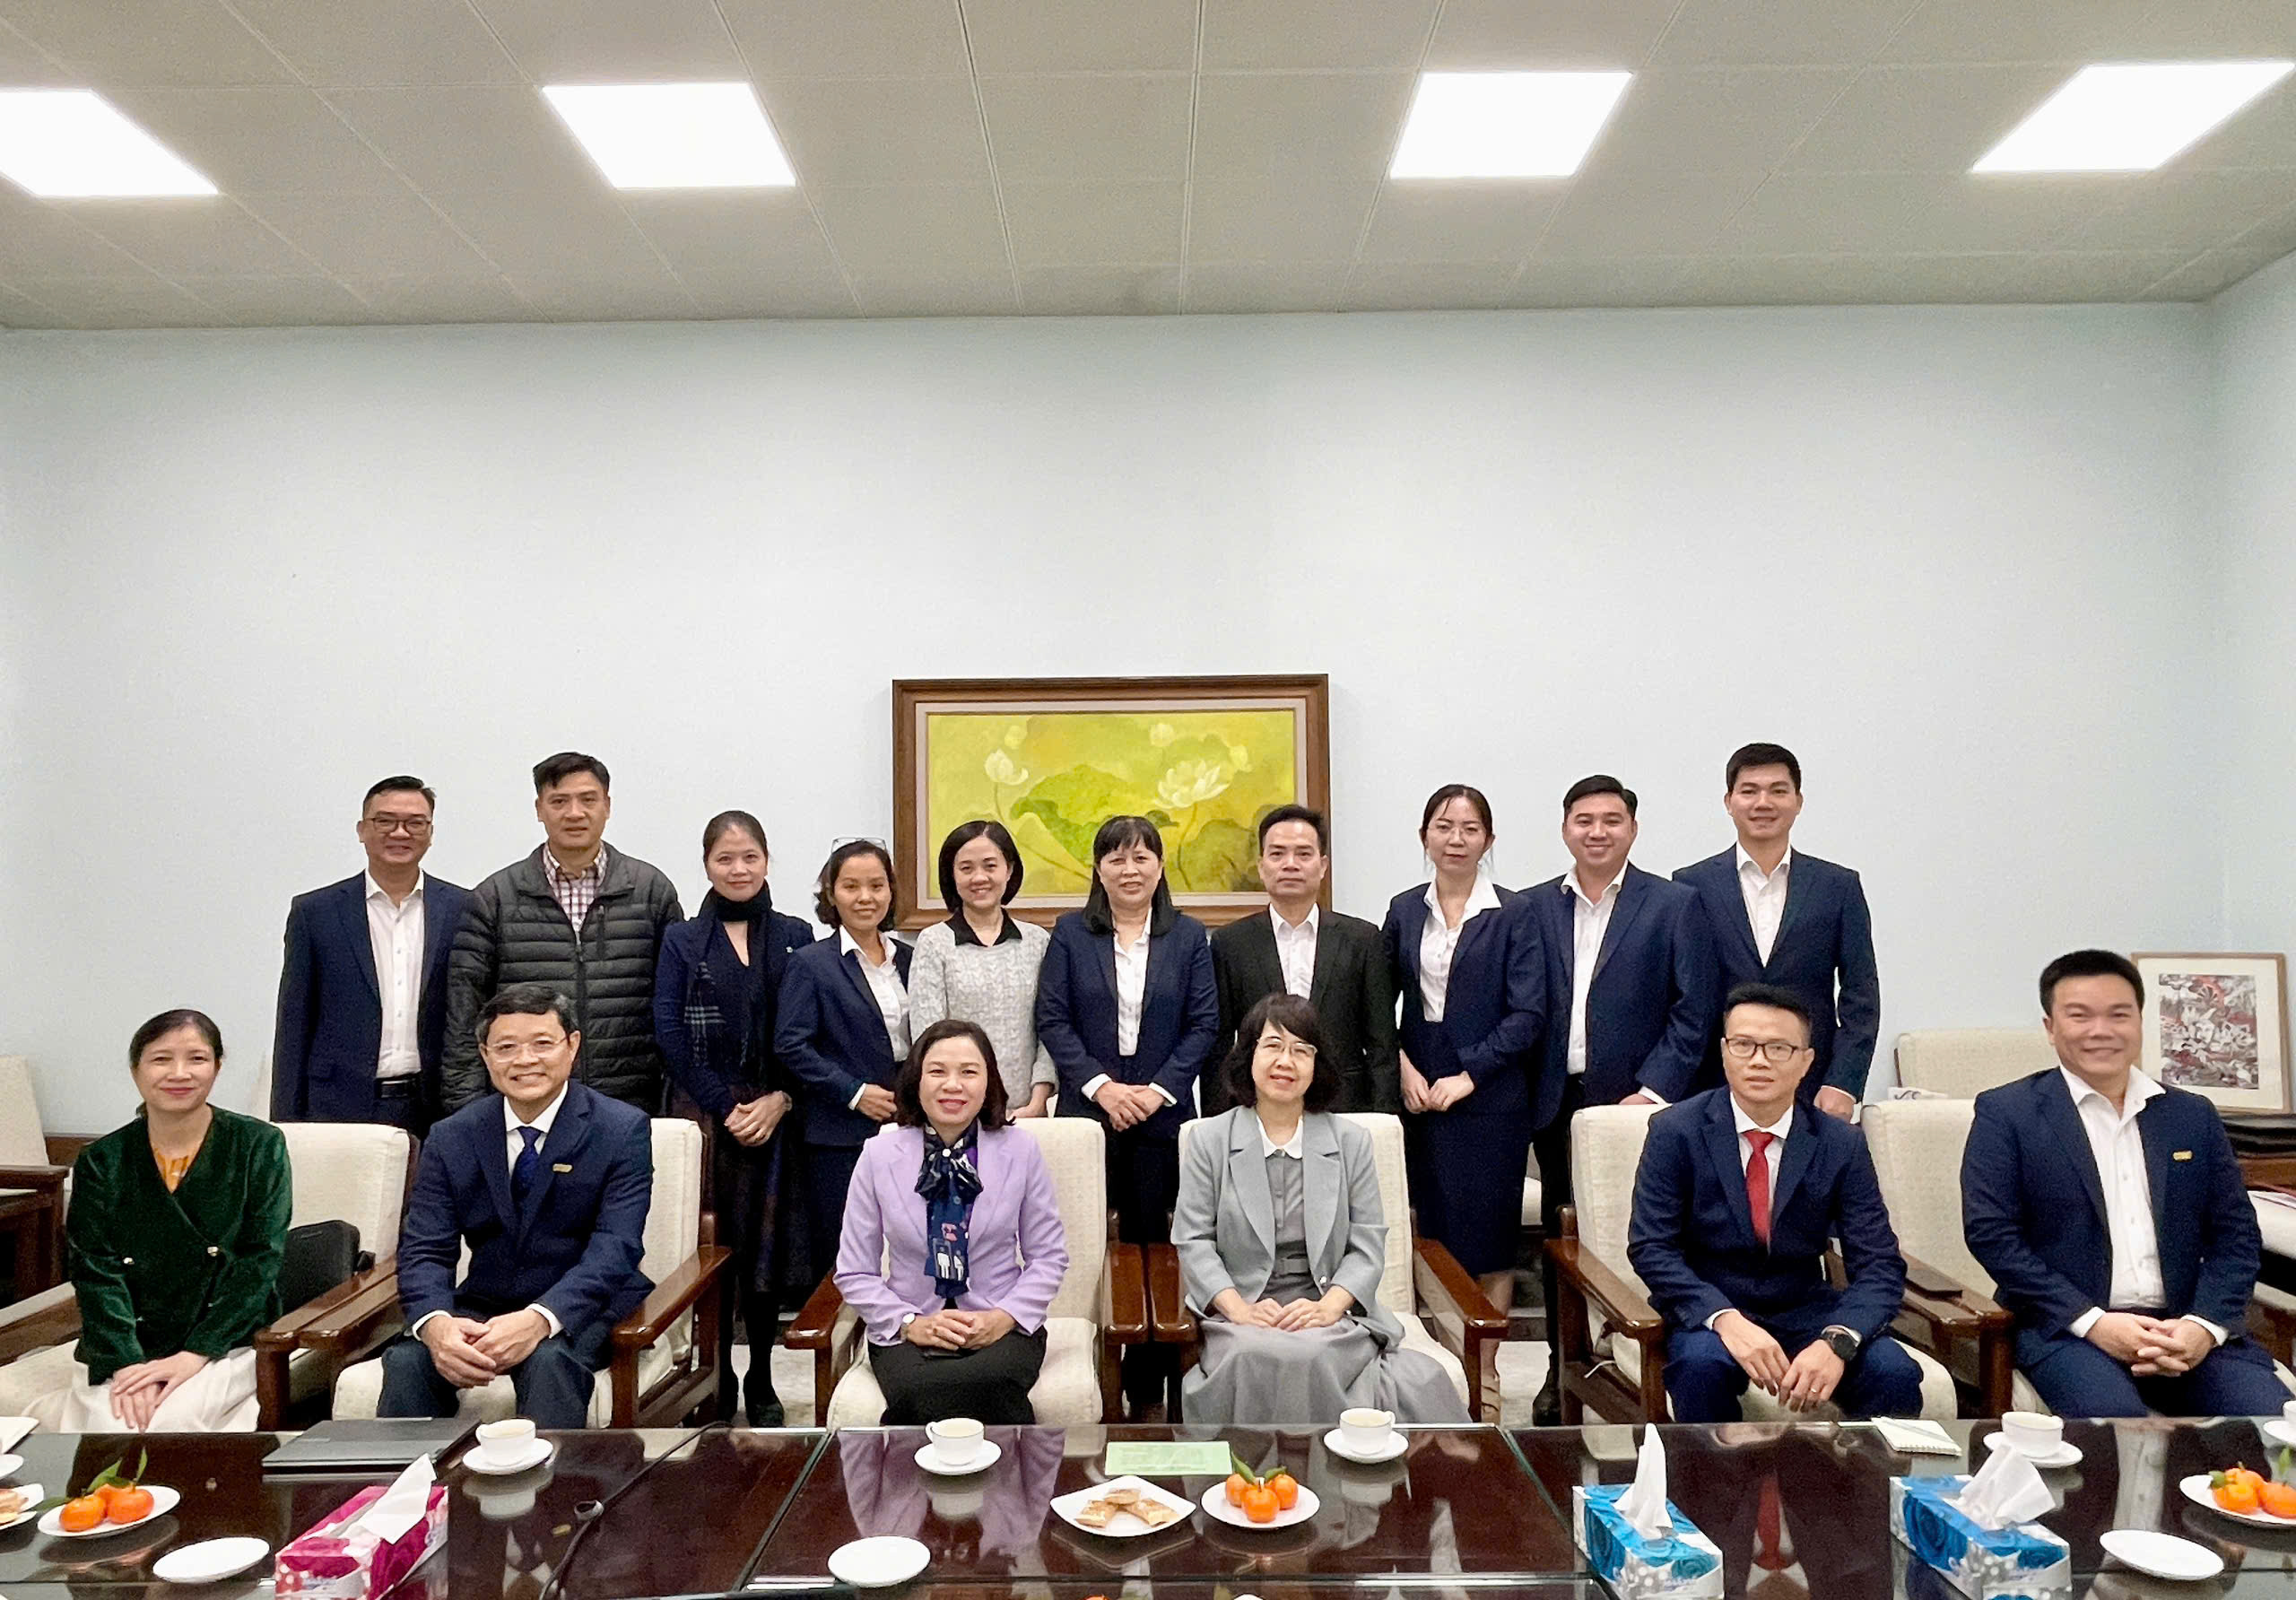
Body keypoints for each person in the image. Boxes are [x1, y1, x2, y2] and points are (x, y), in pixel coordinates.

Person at [1961, 948, 2286, 1418]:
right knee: (2117, 1430)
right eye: (2080, 1016)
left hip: (2186, 1328)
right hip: (2070, 1330)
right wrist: (2093, 1322)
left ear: (2140, 1021)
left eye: (2119, 1015)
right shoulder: (2007, 1114)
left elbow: (2236, 1237)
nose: (2101, 1030)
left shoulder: (2191, 1115)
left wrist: (2204, 1325)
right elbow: (1993, 1236)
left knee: (2273, 1425)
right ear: (2051, 1027)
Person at [1626, 984, 1923, 1423]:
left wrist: (1838, 1340)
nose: (1759, 1060)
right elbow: (1651, 1247)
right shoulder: (1675, 1131)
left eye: (1779, 1048)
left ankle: (1863, 1472)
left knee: (1893, 1373)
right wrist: (1723, 1318)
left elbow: (1879, 1262)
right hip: (1712, 1306)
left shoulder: (1840, 1143)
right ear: (1724, 1052)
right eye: (1744, 1044)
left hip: (1806, 1307)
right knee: (1701, 1368)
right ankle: (1714, 1473)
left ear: (1806, 1061)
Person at [1175, 993, 1466, 1425]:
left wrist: (1330, 1306)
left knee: (1315, 1352)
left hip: (1327, 1306)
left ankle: (1331, 1468)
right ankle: (1262, 1471)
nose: (1285, 1062)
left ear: (1317, 1066)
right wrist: (1239, 1309)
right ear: (1249, 1055)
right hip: (1244, 1310)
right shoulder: (1209, 1140)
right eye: (1273, 1046)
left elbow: (1367, 1243)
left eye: (1301, 1050)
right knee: (1252, 1352)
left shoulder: (1350, 1142)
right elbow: (1193, 1240)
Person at [1525, 775, 1718, 1423]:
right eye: (1584, 820)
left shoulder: (1674, 904)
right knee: (1562, 1235)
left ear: (1632, 829)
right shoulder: (1533, 906)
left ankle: (1645, 1352)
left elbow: (1694, 1011)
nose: (1597, 831)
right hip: (1556, 1099)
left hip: (1639, 1106)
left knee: (1645, 1233)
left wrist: (1652, 1092)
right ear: (1565, 829)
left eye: (1611, 820)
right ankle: (1561, 1365)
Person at [380, 983, 655, 1430]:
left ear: (572, 1046)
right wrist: (435, 1323)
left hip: (583, 1308)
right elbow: (425, 1247)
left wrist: (540, 1319)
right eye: (506, 1048)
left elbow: (616, 1247)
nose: (525, 1060)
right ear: (485, 1055)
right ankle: (410, 1477)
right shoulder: (452, 1136)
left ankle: (551, 1478)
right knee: (410, 1360)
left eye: (542, 1044)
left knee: (549, 1360)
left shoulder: (620, 1130)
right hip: (483, 1303)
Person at [1037, 813, 1218, 1413]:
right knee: (1089, 1245)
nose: (1129, 869)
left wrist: (1155, 1091)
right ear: (1098, 869)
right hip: (1088, 1121)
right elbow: (1053, 1019)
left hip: (1162, 1121)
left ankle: (1151, 1385)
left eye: (1142, 857)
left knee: (1157, 1247)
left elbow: (1204, 1025)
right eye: (1116, 858)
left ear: (1160, 867)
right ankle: (1094, 1373)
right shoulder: (1071, 934)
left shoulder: (1188, 937)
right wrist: (1104, 1089)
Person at [48, 1010, 291, 1432]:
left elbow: (259, 1261)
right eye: (161, 1059)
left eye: (197, 1058)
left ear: (217, 1066)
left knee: (173, 1422)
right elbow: (95, 1271)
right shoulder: (101, 1160)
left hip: (225, 1341)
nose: (180, 1073)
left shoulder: (258, 1145)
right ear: (135, 1070)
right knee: (113, 1424)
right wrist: (127, 1364)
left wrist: (195, 1354)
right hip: (126, 1343)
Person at [652, 809, 815, 1426]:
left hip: (778, 1115)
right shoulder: (682, 939)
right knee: (711, 1251)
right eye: (725, 858)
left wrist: (781, 1099)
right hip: (705, 1115)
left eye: (750, 857)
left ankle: (763, 1377)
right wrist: (726, 1106)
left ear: (767, 861)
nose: (739, 869)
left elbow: (807, 1030)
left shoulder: (797, 934)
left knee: (766, 1256)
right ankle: (715, 1380)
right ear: (707, 866)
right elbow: (669, 1033)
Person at [833, 1019, 1069, 1425]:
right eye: (938, 1071)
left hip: (1001, 1325)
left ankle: (1008, 1470)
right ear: (916, 1081)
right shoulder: (878, 1154)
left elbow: (1049, 1258)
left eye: (969, 1072)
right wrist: (911, 1323)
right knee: (918, 1389)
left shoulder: (1021, 1150)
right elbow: (854, 1271)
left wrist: (1002, 1318)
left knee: (994, 1381)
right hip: (908, 1329)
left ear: (988, 1082)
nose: (953, 1085)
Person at [1379, 784, 1545, 1313]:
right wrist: (1403, 1068)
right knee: (1427, 1237)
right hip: (1419, 1099)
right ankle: (1439, 1355)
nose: (1456, 839)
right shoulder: (1404, 909)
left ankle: (1484, 1362)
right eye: (1444, 827)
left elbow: (1528, 1014)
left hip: (1491, 1102)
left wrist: (1470, 1075)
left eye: (1470, 829)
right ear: (1424, 836)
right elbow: (1377, 1002)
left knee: (1490, 1244)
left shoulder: (1515, 912)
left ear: (1488, 840)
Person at [442, 752, 683, 1115]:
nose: (574, 813)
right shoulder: (495, 898)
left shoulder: (651, 891)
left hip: (631, 1101)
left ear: (607, 806)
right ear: (539, 809)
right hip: (525, 1103)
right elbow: (464, 1017)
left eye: (588, 800)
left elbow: (676, 1006)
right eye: (559, 802)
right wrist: (468, 1112)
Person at [1674, 743, 1878, 1119]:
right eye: (1749, 791)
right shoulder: (1690, 886)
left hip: (1812, 1085)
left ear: (1798, 801)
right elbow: (1681, 995)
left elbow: (1860, 996)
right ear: (1729, 801)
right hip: (1713, 1084)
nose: (1763, 803)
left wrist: (1844, 1082)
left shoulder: (1838, 887)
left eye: (1778, 791)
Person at [273, 776, 470, 1133]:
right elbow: (294, 1023)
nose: (400, 832)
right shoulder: (315, 913)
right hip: (337, 1105)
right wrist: (286, 1124)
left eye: (415, 823)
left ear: (430, 833)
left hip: (436, 1107)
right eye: (385, 821)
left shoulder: (463, 909)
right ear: (362, 830)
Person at [776, 839, 913, 1285]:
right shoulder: (812, 964)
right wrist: (854, 1093)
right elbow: (791, 1045)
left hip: (909, 1125)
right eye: (851, 886)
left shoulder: (911, 959)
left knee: (905, 1247)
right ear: (831, 894)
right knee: (846, 1252)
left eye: (876, 885)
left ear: (891, 891)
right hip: (839, 1134)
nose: (865, 897)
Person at [1205, 804, 1399, 1117]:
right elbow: (1219, 1047)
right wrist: (1219, 1122)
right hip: (1257, 1110)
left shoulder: (1362, 939)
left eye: (1303, 854)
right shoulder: (1230, 944)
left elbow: (1382, 1044)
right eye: (1277, 854)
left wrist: (1384, 1119)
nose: (1290, 864)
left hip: (1345, 1108)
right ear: (1261, 866)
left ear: (1323, 866)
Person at [909, 820, 1056, 1118]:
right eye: (966, 868)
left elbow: (1051, 1028)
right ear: (952, 875)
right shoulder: (934, 943)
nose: (979, 878)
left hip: (1029, 1111)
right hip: (957, 1111)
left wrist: (1038, 1100)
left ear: (1009, 870)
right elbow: (928, 1040)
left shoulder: (1037, 941)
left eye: (990, 866)